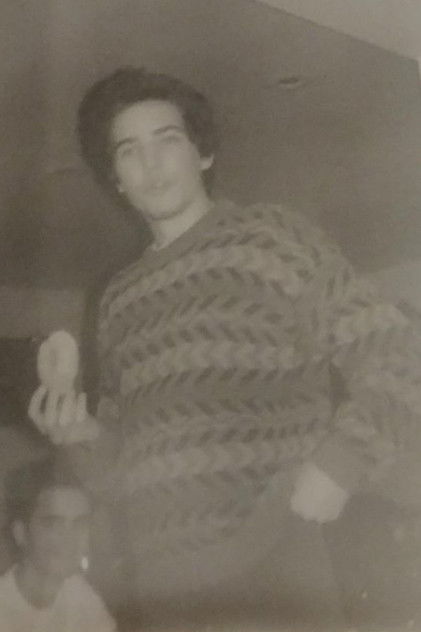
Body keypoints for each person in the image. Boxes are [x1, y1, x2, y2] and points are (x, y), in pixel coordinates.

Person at [29, 67, 421, 628]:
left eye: (167, 140)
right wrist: (80, 436)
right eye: (129, 151)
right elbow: (124, 468)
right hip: (163, 592)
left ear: (203, 153)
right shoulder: (117, 301)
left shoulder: (274, 239)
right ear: (116, 179)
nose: (150, 164)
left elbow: (398, 354)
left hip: (275, 569)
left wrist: (342, 462)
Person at [0, 456, 116, 632]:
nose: (70, 538)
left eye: (79, 523)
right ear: (21, 533)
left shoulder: (83, 598)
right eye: (53, 524)